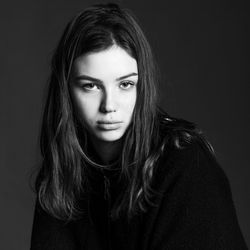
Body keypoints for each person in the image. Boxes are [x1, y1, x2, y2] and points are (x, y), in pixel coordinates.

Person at [30, 3, 247, 250]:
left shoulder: (186, 166)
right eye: (90, 86)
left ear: (141, 86)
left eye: (125, 85)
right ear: (66, 90)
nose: (109, 105)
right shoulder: (62, 172)